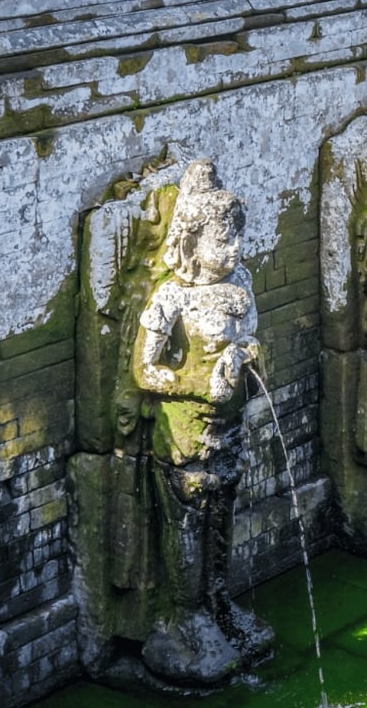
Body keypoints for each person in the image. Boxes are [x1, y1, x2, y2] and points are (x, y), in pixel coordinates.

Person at [131, 159, 271, 687]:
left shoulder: (242, 283)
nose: (232, 250)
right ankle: (184, 615)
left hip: (229, 424)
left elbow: (251, 338)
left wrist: (246, 357)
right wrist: (199, 384)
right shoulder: (172, 295)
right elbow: (144, 368)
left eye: (236, 238)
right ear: (190, 243)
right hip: (185, 432)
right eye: (221, 240)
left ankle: (217, 599)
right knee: (188, 519)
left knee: (221, 513)